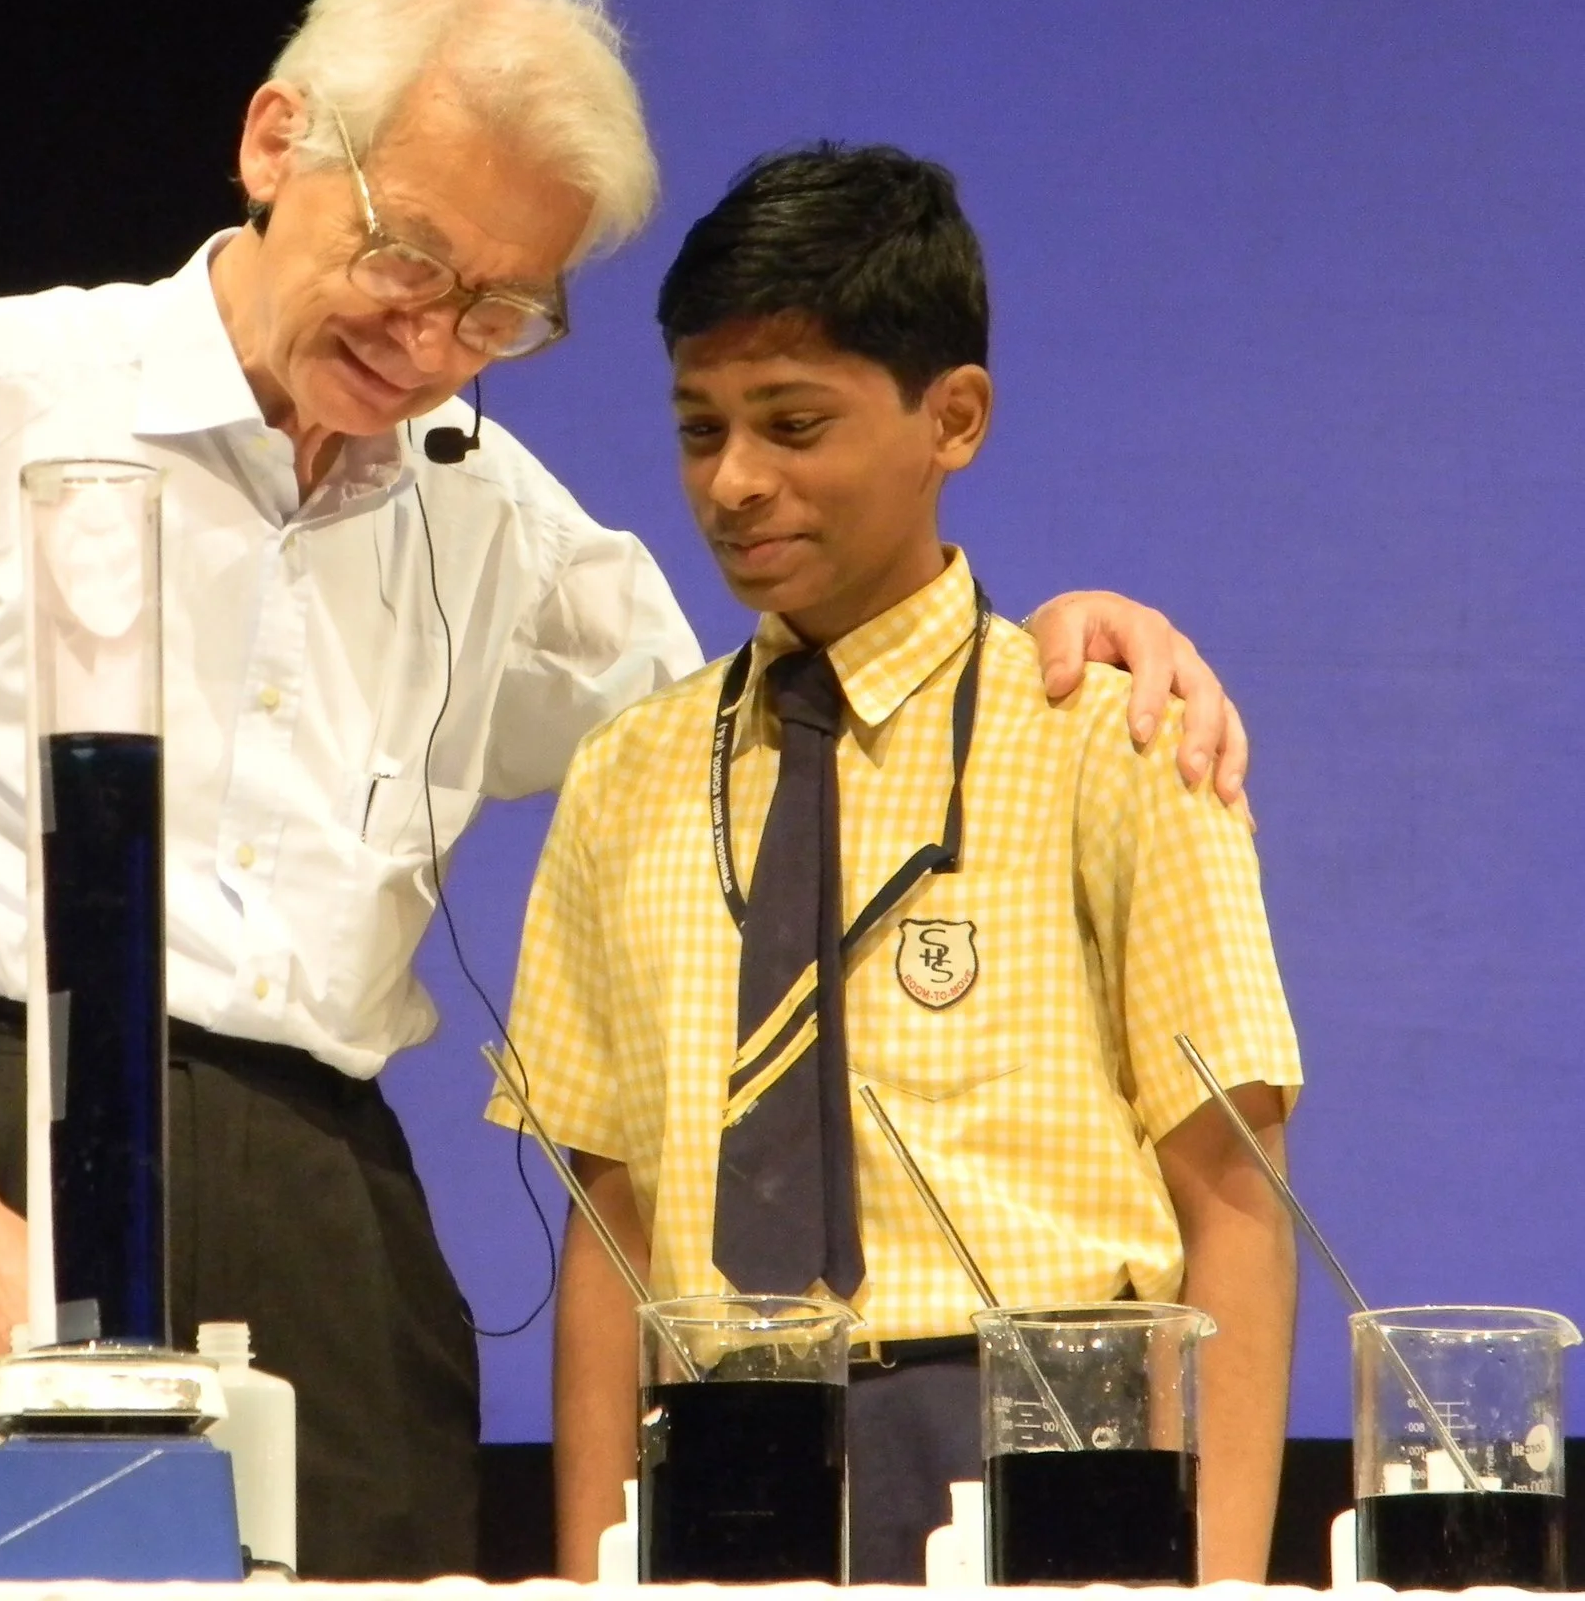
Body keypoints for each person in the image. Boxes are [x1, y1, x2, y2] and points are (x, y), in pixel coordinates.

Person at [0, 0, 1252, 1580]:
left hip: (324, 1207)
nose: (435, 345)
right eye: (412, 259)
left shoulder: (491, 516)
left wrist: (1049, 628)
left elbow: (772, 725)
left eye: (505, 310)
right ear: (275, 140)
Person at [499, 142, 1302, 1584]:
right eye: (699, 428)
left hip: (1047, 1430)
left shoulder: (1108, 737)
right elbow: (607, 1230)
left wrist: (1224, 1581)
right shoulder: (626, 775)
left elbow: (1232, 1194)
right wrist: (585, 1571)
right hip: (724, 1434)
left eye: (794, 423)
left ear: (956, 417)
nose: (735, 482)